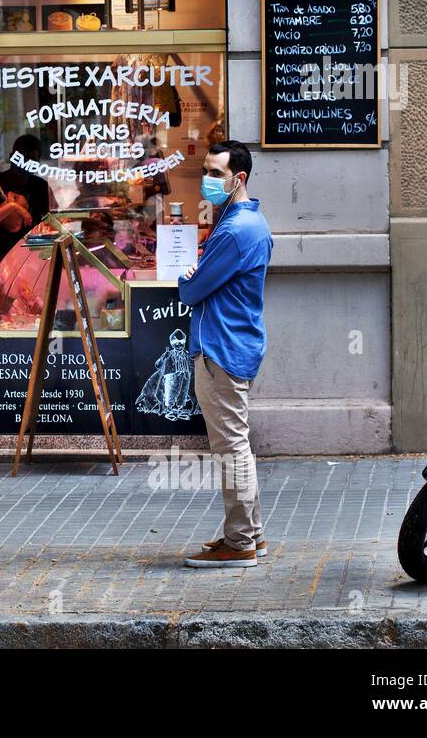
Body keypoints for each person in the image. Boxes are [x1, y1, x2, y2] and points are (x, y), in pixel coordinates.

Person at [177, 140, 273, 568]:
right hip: (237, 343)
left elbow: (193, 289)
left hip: (220, 348)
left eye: (216, 173)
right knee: (238, 445)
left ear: (240, 179)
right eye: (206, 171)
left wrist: (187, 278)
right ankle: (251, 536)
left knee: (231, 447)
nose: (207, 180)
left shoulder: (234, 231)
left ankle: (239, 544)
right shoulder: (251, 223)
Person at [0, 134, 51, 258]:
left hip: (33, 256)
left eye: (32, 160)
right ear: (11, 158)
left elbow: (52, 222)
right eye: (22, 159)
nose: (25, 164)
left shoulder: (41, 187)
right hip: (0, 255)